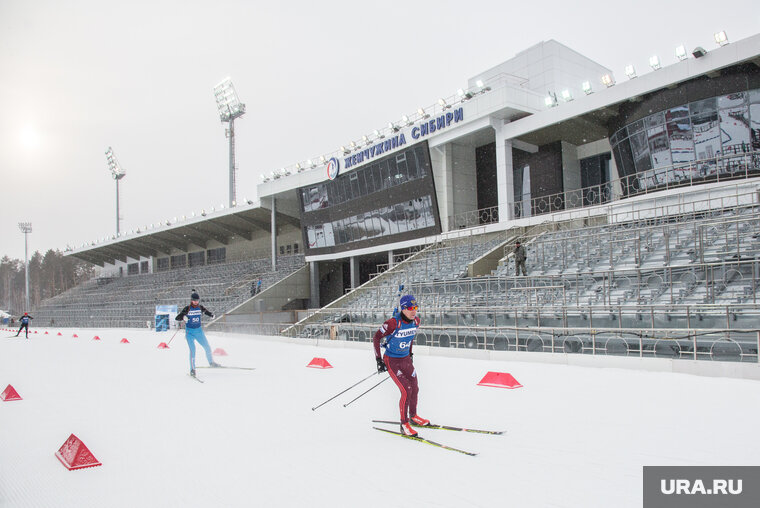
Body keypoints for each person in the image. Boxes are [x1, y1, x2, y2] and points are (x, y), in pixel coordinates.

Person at [372, 294, 429, 437]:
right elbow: (376, 337)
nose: (413, 311)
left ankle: (413, 416)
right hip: (392, 361)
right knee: (406, 390)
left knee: (415, 387)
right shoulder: (392, 323)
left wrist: (410, 354)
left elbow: (409, 338)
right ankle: (404, 424)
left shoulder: (416, 321)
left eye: (415, 307)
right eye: (410, 308)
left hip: (405, 360)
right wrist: (379, 360)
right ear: (403, 309)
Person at [175, 292, 219, 377]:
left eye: (197, 300)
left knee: (207, 346)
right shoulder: (187, 308)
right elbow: (177, 318)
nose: (196, 302)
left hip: (199, 331)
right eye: (194, 300)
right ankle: (192, 369)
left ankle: (211, 362)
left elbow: (205, 311)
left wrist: (211, 315)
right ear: (191, 300)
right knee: (193, 351)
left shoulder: (200, 307)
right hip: (190, 333)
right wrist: (184, 317)